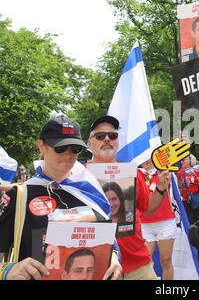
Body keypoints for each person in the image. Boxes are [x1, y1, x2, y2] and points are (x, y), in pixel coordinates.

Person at [0, 115, 122, 280]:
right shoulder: (20, 196)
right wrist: (7, 270)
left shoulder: (90, 191)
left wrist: (114, 258)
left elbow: (107, 241)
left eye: (74, 148)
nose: (68, 154)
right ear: (41, 146)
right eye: (60, 147)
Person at [87, 115, 170, 280]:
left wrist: (160, 188)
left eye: (113, 135)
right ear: (89, 143)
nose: (107, 139)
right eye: (100, 136)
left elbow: (148, 208)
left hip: (139, 265)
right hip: (98, 269)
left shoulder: (133, 173)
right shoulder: (79, 176)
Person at [140, 158, 177, 280]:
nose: (145, 161)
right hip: (145, 224)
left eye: (148, 158)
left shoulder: (163, 172)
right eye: (143, 158)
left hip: (165, 222)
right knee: (145, 263)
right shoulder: (137, 174)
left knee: (166, 261)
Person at [177, 155, 199, 225]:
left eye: (183, 160)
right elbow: (179, 186)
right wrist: (181, 194)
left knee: (197, 218)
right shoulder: (179, 173)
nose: (181, 161)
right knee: (188, 219)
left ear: (189, 160)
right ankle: (191, 234)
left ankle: (197, 233)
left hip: (196, 199)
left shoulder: (197, 171)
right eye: (181, 160)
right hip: (185, 200)